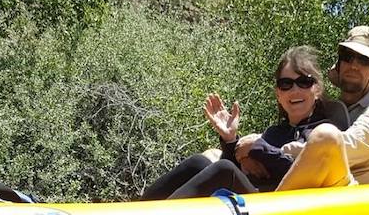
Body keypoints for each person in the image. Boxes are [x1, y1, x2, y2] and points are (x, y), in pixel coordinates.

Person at [141, 46, 350, 199]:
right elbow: (244, 171)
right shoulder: (274, 133)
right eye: (286, 84)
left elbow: (301, 169)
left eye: (304, 82)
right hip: (257, 200)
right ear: (278, 94)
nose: (294, 90)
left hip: (280, 212)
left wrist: (259, 148)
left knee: (224, 170)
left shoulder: (322, 132)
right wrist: (231, 140)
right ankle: (137, 212)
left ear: (317, 89)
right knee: (199, 162)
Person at [276, 26, 369, 191]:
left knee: (326, 136)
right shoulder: (330, 109)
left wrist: (295, 151)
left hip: (353, 203)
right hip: (319, 195)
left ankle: (267, 213)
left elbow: (342, 146)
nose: (353, 65)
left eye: (364, 60)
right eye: (348, 57)